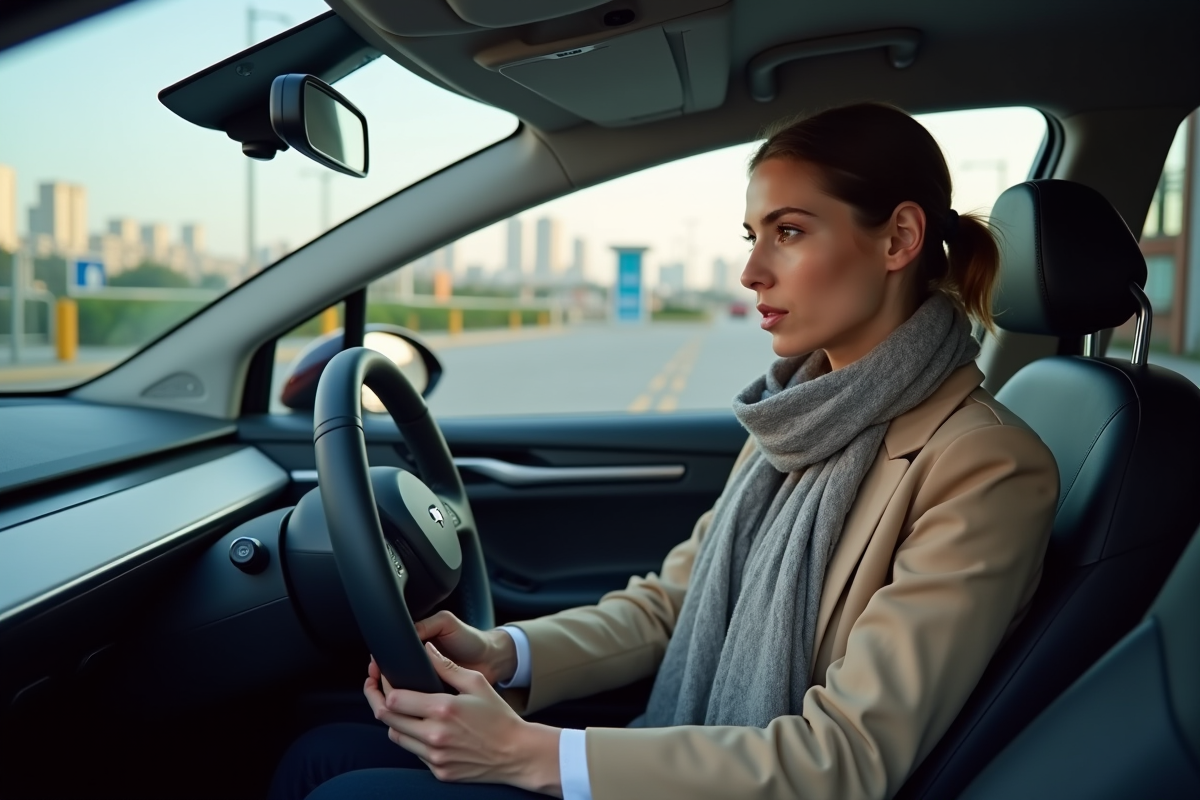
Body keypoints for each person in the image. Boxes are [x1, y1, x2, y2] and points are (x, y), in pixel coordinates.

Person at [269, 102, 1059, 800]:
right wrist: (499, 653)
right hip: (690, 762)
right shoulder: (800, 415)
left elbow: (845, 759)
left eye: (789, 232)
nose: (751, 271)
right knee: (319, 755)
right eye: (753, 236)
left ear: (899, 238)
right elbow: (669, 608)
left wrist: (528, 753)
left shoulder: (982, 468)